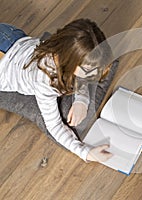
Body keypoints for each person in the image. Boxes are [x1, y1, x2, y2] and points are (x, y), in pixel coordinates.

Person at [0, 19, 113, 163]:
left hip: (10, 35)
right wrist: (85, 152)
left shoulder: (61, 49)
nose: (94, 76)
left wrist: (81, 101)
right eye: (88, 71)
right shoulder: (44, 81)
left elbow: (81, 78)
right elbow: (54, 126)